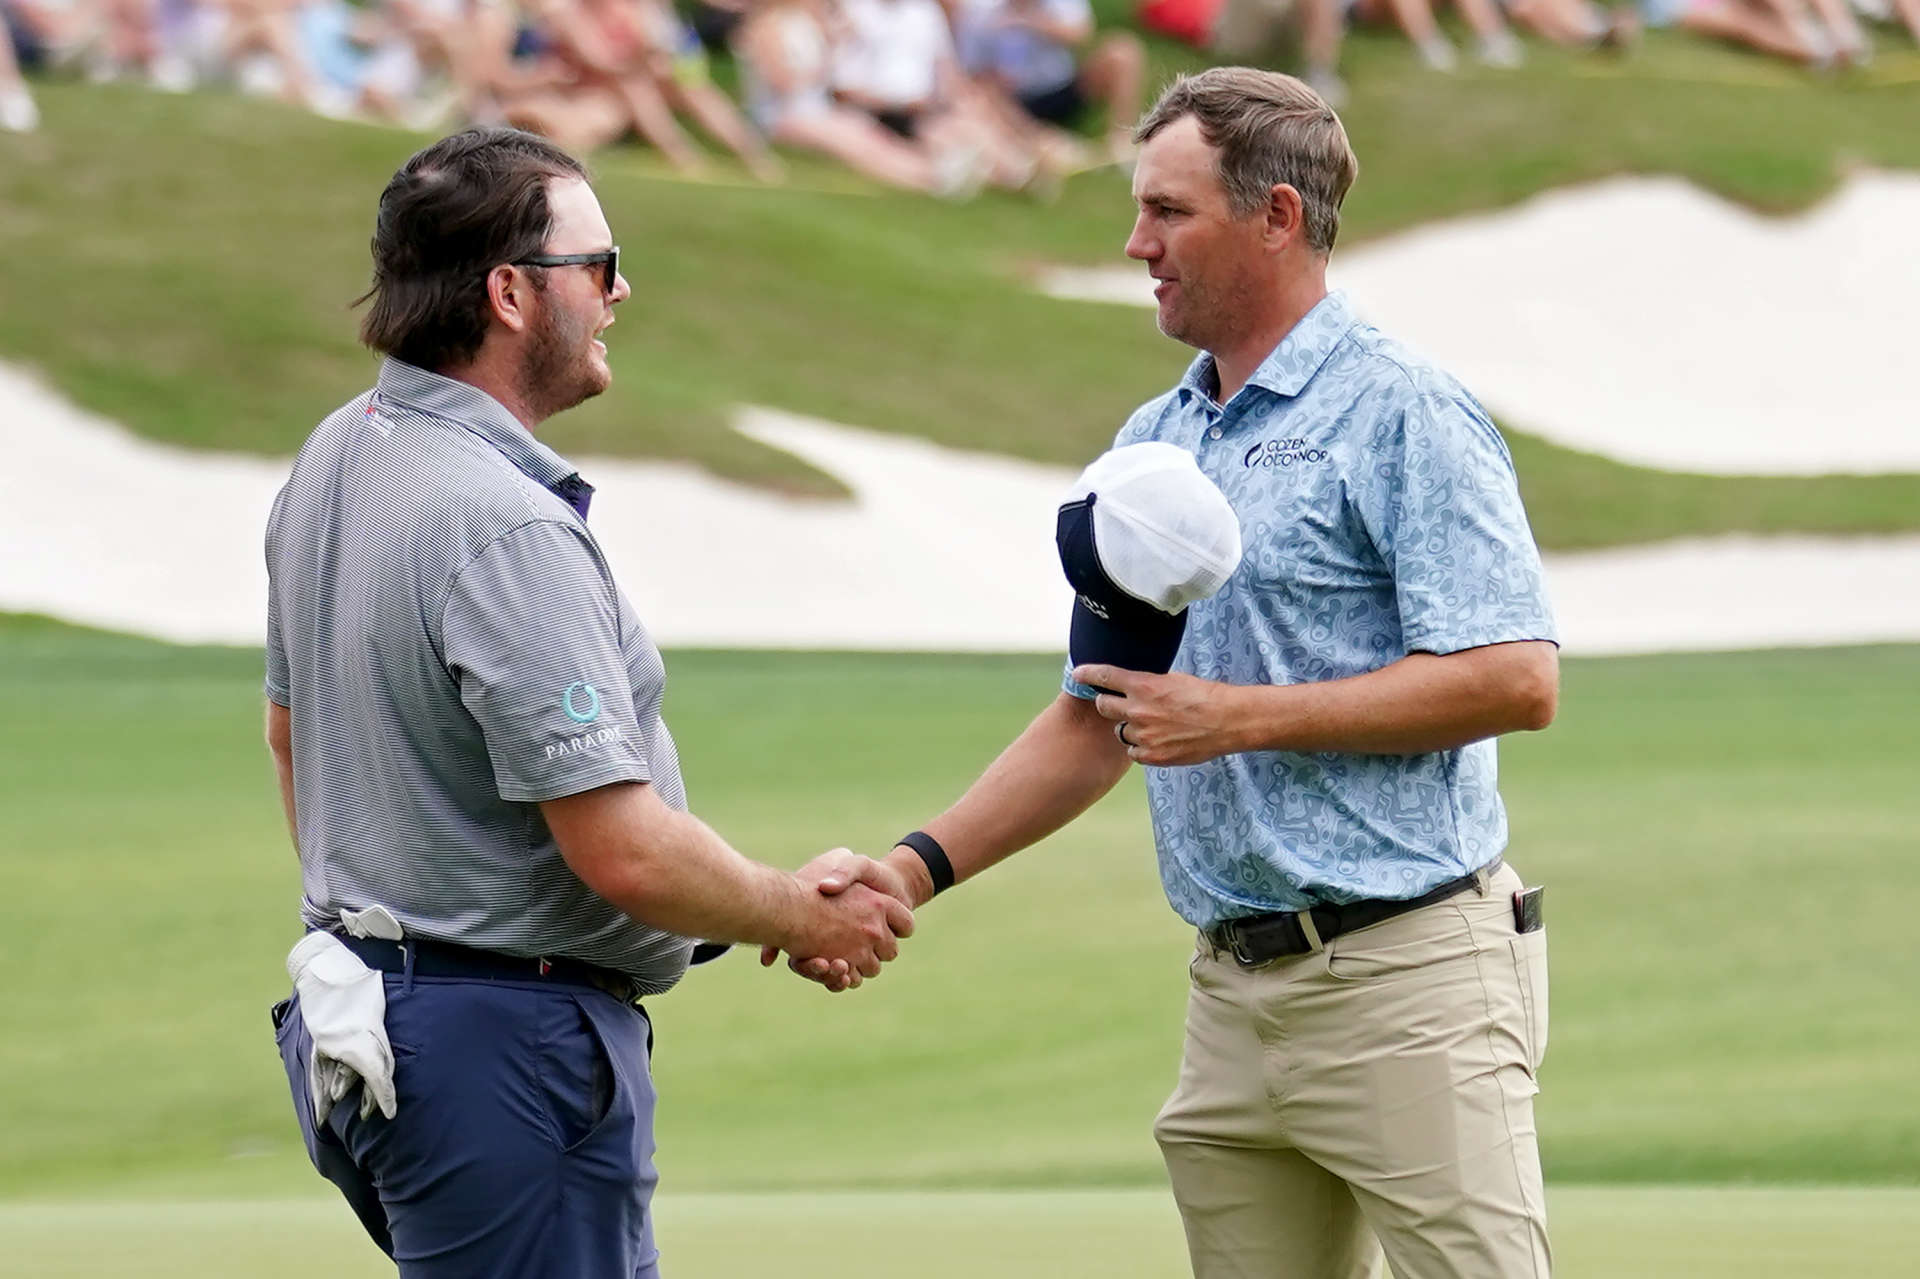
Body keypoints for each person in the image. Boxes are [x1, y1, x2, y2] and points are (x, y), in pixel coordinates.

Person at [776, 67, 1561, 1278]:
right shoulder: (1154, 444)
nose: (1137, 243)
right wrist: (907, 872)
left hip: (1411, 979)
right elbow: (1098, 720)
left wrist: (1244, 718)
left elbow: (1515, 677)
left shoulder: (1404, 410)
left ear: (1278, 218)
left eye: (1169, 211)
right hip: (1233, 999)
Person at [263, 126, 912, 1277]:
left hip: (380, 1021)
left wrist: (404, 902)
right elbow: (620, 850)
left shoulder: (337, 452)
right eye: (601, 266)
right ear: (512, 293)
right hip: (503, 1052)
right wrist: (804, 915)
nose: (622, 292)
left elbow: (292, 740)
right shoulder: (502, 524)